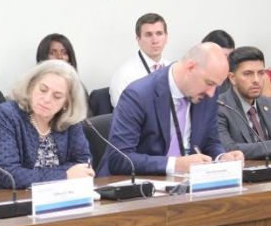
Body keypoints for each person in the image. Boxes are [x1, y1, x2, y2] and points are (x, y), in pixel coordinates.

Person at [99, 43, 244, 176]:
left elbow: (210, 141)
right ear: (190, 68)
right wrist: (175, 164)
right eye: (209, 83)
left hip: (187, 184)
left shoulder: (207, 94)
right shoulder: (138, 95)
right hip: (139, 187)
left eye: (216, 86)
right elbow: (119, 158)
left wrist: (222, 157)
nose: (211, 93)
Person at [0, 61, 93, 191]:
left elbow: (83, 166)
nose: (47, 99)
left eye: (57, 96)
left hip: (58, 197)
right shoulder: (4, 115)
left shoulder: (69, 121)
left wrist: (35, 177)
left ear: (66, 104)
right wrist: (65, 175)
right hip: (2, 200)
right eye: (43, 90)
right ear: (31, 86)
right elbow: (8, 174)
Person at [217, 47, 271, 159]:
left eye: (261, 73)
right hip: (242, 174)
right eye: (248, 74)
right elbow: (229, 149)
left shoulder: (268, 103)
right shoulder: (220, 107)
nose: (256, 80)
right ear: (232, 78)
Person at [109, 13, 171, 107]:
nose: (155, 40)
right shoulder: (124, 76)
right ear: (138, 39)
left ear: (166, 37)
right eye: (148, 35)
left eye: (159, 33)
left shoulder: (173, 69)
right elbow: (125, 117)